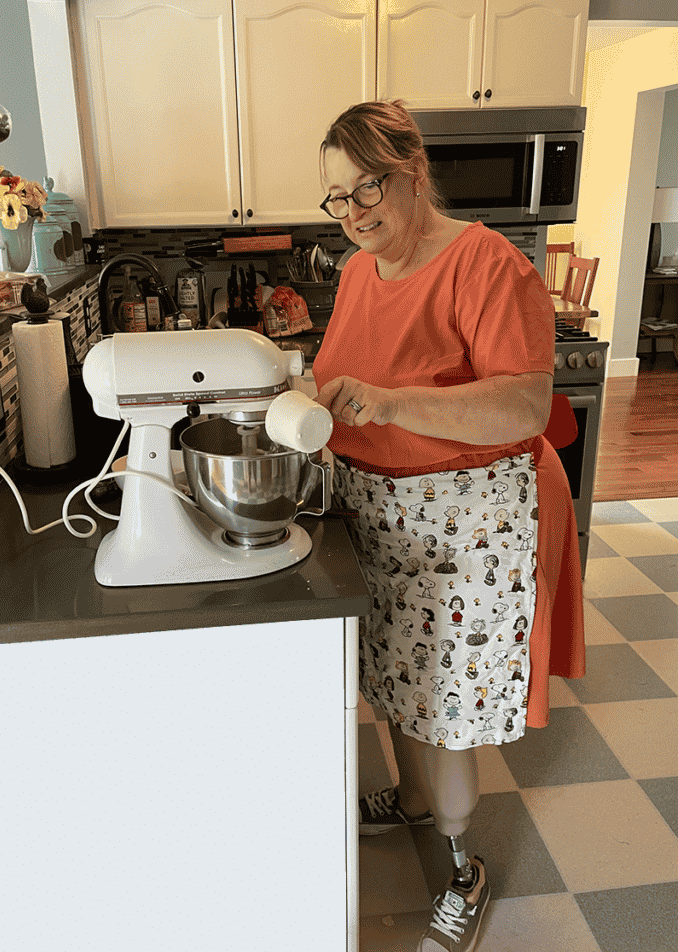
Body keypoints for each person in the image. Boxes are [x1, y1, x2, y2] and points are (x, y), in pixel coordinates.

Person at [312, 100, 585, 952]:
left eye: (368, 189)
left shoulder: (488, 265)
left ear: (413, 171)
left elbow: (523, 402)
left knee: (447, 704)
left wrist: (391, 402)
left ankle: (462, 870)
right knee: (398, 679)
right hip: (380, 519)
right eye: (336, 197)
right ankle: (415, 801)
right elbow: (342, 378)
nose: (354, 213)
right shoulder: (360, 272)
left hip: (467, 526)